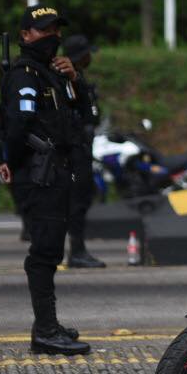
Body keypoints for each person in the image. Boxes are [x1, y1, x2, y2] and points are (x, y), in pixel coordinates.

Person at [0, 4, 90, 356]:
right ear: (25, 35)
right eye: (45, 30)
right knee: (44, 252)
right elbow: (17, 126)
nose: (53, 36)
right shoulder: (25, 74)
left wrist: (74, 80)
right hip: (39, 174)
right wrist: (11, 163)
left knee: (51, 250)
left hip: (57, 171)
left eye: (56, 30)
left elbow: (82, 115)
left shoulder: (53, 73)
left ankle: (48, 325)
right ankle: (45, 330)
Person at [61, 34, 105, 268]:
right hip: (74, 150)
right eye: (87, 53)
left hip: (82, 147)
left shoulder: (78, 78)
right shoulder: (66, 80)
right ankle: (76, 251)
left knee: (82, 199)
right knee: (76, 201)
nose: (91, 57)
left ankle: (78, 249)